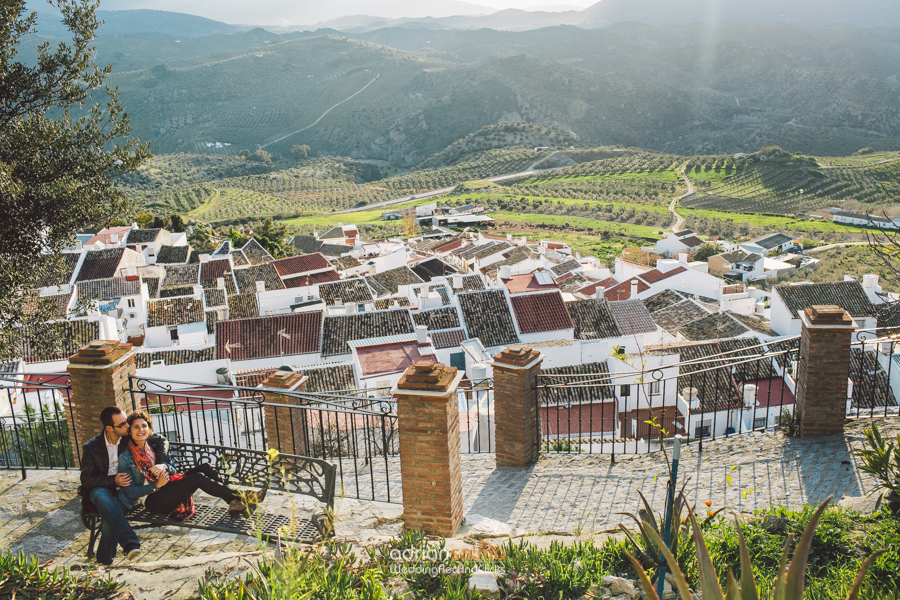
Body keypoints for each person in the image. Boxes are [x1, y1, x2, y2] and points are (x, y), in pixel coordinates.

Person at [117, 410, 262, 515]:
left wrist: (164, 466)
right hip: (154, 500)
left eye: (144, 426)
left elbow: (173, 470)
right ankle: (242, 496)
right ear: (130, 432)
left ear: (149, 429)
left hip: (170, 486)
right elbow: (130, 492)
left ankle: (234, 503)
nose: (140, 430)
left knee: (206, 467)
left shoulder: (154, 447)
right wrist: (156, 485)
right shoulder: (126, 457)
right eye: (136, 427)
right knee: (197, 478)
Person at [80, 406, 141, 565]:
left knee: (111, 517)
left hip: (127, 488)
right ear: (109, 428)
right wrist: (112, 480)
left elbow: (160, 440)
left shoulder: (130, 438)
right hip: (102, 488)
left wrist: (161, 463)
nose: (127, 426)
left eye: (126, 422)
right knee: (102, 497)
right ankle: (130, 542)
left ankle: (104, 563)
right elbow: (86, 479)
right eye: (122, 425)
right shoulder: (91, 447)